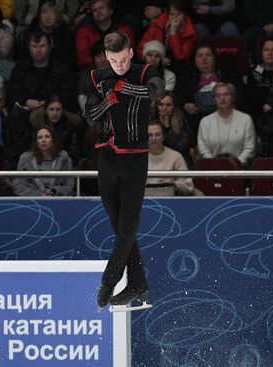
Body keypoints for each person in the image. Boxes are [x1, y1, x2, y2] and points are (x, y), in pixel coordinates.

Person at [85, 31, 165, 309]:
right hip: (106, 156)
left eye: (123, 59)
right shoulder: (97, 77)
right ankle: (138, 283)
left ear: (131, 52)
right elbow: (89, 114)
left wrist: (123, 89)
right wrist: (108, 98)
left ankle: (109, 280)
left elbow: (158, 91)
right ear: (107, 57)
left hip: (135, 158)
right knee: (120, 228)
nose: (119, 65)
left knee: (128, 227)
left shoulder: (145, 72)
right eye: (114, 61)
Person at [7, 30, 77, 133]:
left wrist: (48, 102)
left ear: (49, 47)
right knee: (16, 114)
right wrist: (26, 101)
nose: (38, 50)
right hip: (28, 108)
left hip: (56, 108)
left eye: (42, 46)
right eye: (34, 46)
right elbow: (12, 93)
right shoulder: (20, 68)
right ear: (29, 48)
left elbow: (68, 94)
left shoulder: (62, 68)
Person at [175, 41, 241, 135]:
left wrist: (232, 103)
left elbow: (239, 91)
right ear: (194, 60)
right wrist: (185, 105)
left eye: (208, 55)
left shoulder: (226, 73)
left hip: (224, 113)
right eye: (200, 56)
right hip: (197, 117)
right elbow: (177, 94)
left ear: (214, 58)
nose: (204, 58)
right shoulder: (187, 75)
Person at [197, 82, 256, 167]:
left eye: (226, 95)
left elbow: (249, 148)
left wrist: (236, 164)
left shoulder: (245, 119)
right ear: (214, 100)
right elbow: (203, 149)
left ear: (233, 98)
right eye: (218, 96)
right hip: (212, 169)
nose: (222, 99)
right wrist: (214, 164)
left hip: (240, 169)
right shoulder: (205, 121)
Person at [12, 124, 74, 196]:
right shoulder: (25, 158)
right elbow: (18, 186)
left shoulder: (63, 157)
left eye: (47, 137)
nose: (43, 140)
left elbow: (69, 184)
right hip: (33, 202)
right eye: (40, 137)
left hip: (58, 201)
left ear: (53, 140)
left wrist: (55, 191)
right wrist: (39, 194)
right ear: (36, 141)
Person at [137, 0, 197, 74]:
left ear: (185, 15)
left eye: (179, 14)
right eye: (172, 14)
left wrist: (173, 33)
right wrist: (158, 60)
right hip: (154, 63)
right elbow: (140, 49)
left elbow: (180, 58)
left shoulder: (190, 32)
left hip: (177, 68)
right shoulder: (158, 25)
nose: (175, 18)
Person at [75, 0, 135, 68]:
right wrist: (100, 63)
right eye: (95, 10)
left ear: (110, 11)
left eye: (101, 8)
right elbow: (83, 58)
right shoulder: (84, 32)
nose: (98, 11)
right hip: (94, 69)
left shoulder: (124, 30)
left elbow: (127, 53)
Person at [30, 94, 85, 167]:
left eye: (58, 109)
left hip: (64, 162)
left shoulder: (71, 125)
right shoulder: (37, 125)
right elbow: (33, 148)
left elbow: (75, 152)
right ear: (45, 110)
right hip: (40, 161)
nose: (55, 113)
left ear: (62, 111)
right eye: (51, 109)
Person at [147, 120, 196, 196]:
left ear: (163, 136)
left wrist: (174, 184)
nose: (154, 138)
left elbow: (188, 188)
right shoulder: (139, 158)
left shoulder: (176, 157)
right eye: (150, 135)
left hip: (170, 203)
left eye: (157, 134)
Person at [155, 92, 193, 167]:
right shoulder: (150, 122)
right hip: (157, 163)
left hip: (179, 163)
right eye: (161, 104)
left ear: (174, 107)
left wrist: (167, 128)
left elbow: (179, 148)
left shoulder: (182, 122)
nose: (164, 108)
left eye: (168, 105)